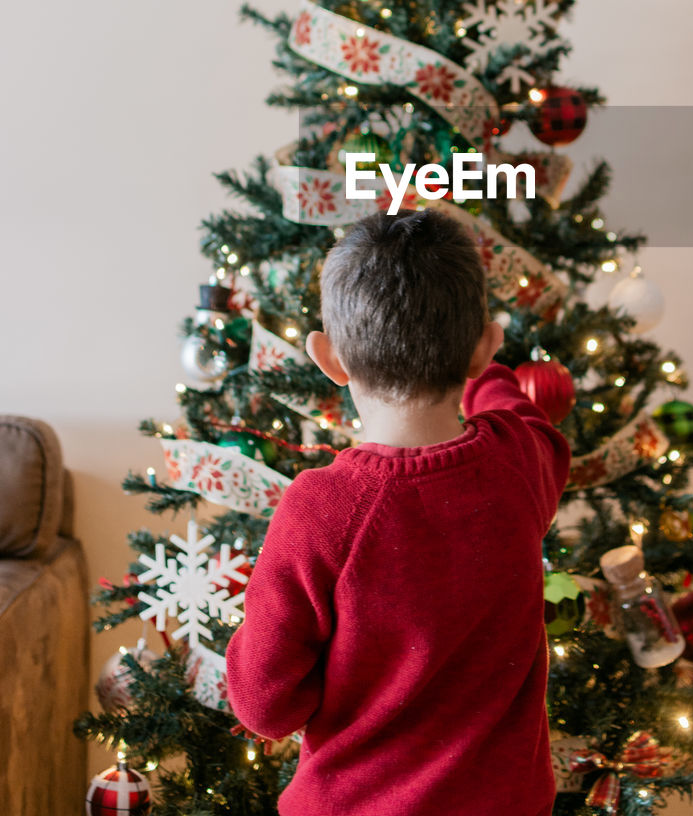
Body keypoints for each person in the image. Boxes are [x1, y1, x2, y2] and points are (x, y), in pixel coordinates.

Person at [226, 209, 571, 815]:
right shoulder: (518, 460)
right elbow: (528, 419)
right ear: (483, 348)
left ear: (329, 359)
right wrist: (485, 369)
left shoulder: (320, 509)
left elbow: (265, 706)